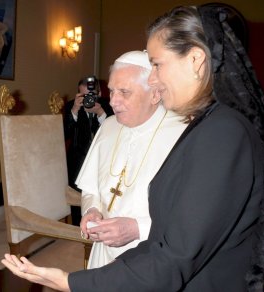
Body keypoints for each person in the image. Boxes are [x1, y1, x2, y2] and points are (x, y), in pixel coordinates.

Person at [2, 5, 264, 291]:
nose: (153, 78)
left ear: (195, 59)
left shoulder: (222, 133)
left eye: (157, 64)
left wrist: (69, 282)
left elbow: (174, 257)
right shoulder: (209, 125)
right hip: (141, 267)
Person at [78, 50, 187, 269]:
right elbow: (91, 189)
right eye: (111, 91)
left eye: (124, 92)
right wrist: (92, 210)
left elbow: (193, 216)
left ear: (155, 94)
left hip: (155, 256)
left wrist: (138, 228)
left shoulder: (184, 134)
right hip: (103, 255)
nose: (113, 101)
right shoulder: (108, 126)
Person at [64, 76, 113, 225]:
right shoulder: (71, 106)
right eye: (83, 96)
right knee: (76, 201)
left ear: (98, 93)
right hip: (77, 161)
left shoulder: (108, 105)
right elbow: (63, 134)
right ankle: (78, 230)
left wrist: (100, 113)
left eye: (91, 96)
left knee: (100, 199)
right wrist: (74, 110)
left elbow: (116, 131)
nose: (88, 99)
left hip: (103, 160)